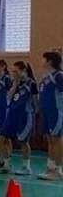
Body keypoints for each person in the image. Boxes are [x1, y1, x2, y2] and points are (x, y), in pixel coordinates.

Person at [0, 61, 37, 176]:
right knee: (0, 138)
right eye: (13, 71)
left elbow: (36, 102)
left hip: (24, 115)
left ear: (24, 71)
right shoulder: (15, 83)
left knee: (23, 141)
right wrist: (15, 84)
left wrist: (33, 113)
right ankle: (6, 165)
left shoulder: (31, 84)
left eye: (16, 71)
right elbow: (8, 97)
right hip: (12, 114)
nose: (14, 73)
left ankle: (26, 167)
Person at [37, 50, 63, 180]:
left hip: (56, 112)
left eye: (44, 59)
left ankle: (58, 170)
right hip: (45, 112)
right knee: (50, 140)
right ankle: (50, 168)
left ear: (50, 61)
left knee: (56, 139)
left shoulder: (59, 76)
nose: (41, 61)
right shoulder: (45, 77)